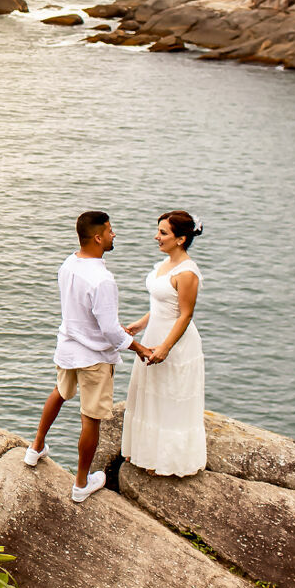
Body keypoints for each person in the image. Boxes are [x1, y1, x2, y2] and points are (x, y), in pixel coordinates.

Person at [25, 211, 153, 502]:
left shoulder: (69, 263)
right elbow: (109, 330)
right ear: (98, 237)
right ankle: (81, 483)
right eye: (110, 230)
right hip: (93, 358)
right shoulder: (102, 279)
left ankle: (35, 448)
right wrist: (140, 348)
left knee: (60, 392)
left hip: (68, 348)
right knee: (90, 418)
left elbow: (83, 314)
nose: (114, 234)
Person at [120, 210, 207, 476]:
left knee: (170, 399)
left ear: (181, 239)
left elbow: (185, 314)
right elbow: (161, 304)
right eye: (158, 231)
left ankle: (169, 462)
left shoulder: (187, 273)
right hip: (153, 336)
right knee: (152, 397)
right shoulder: (163, 265)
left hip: (176, 344)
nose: (156, 237)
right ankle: (149, 454)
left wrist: (167, 347)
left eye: (163, 233)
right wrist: (139, 324)